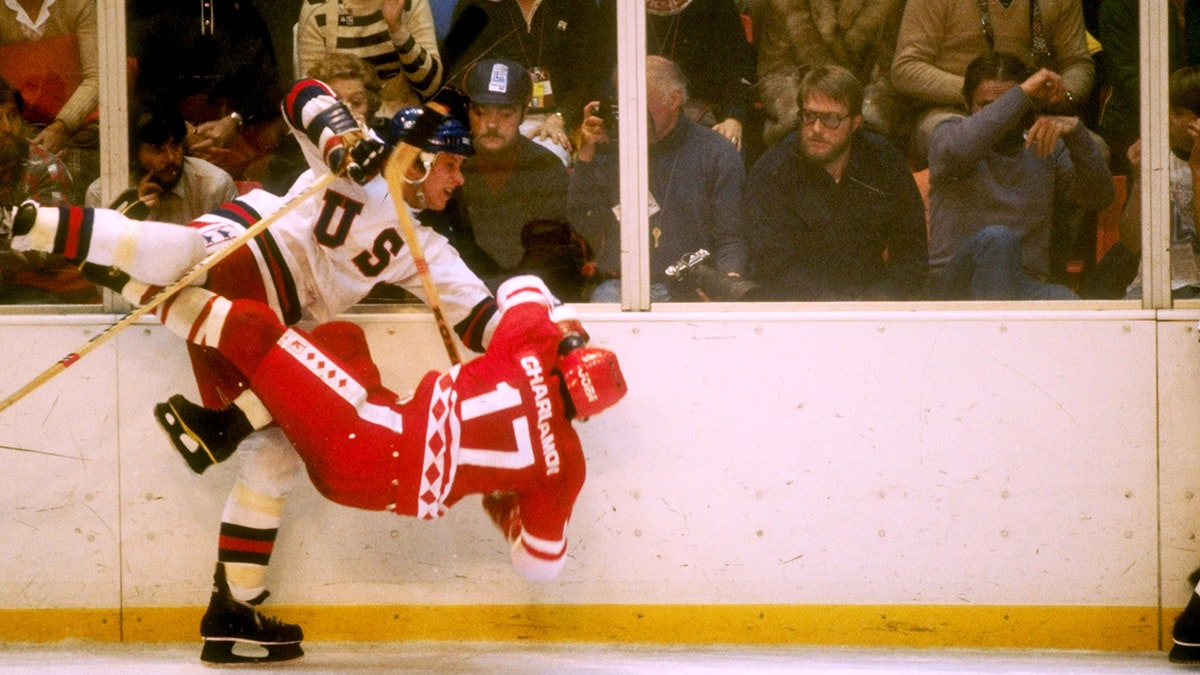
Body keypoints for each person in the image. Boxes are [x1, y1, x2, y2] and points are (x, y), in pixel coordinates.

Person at [7, 79, 500, 664]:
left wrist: (546, 348)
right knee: (188, 257)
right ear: (416, 163)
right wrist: (342, 142)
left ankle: (233, 605)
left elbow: (481, 318)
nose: (458, 180)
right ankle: (37, 225)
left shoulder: (427, 247)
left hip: (266, 328)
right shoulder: (362, 153)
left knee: (281, 446)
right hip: (253, 244)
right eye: (450, 166)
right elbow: (303, 95)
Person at [150, 274, 624, 586]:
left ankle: (138, 286)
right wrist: (511, 519)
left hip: (364, 434)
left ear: (568, 361)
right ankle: (224, 429)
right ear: (589, 414)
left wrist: (567, 330)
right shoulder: (565, 464)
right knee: (341, 340)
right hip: (374, 478)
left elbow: (524, 285)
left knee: (254, 328)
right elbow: (541, 566)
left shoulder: (532, 344)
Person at [926, 52, 1113, 301]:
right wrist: (1021, 93)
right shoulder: (947, 134)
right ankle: (998, 327)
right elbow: (958, 149)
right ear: (966, 102)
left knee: (1068, 302)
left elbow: (1098, 197)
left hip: (1022, 284)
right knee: (998, 239)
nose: (1002, 114)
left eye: (1010, 103)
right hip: (956, 285)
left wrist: (1077, 134)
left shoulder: (1044, 146)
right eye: (987, 105)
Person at [742, 64, 927, 301]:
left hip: (872, 301)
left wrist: (882, 300)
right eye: (809, 116)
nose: (816, 129)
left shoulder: (885, 161)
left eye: (831, 119)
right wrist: (835, 306)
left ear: (855, 123)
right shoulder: (772, 170)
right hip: (799, 304)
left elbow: (912, 252)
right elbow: (772, 264)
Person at [569, 56, 746, 303]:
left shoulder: (715, 153)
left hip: (690, 288)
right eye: (623, 101)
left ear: (674, 100)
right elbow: (585, 224)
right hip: (622, 285)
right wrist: (587, 155)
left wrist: (728, 283)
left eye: (638, 101)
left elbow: (730, 235)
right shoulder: (611, 149)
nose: (629, 112)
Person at [890, 0, 1095, 168]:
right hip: (952, 111)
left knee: (1094, 150)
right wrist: (988, 95)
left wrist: (1063, 93)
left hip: (1029, 112)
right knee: (964, 146)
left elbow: (1077, 63)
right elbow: (906, 68)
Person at [128, 0, 287, 181]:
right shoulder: (159, 14)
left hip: (234, 135)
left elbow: (266, 84)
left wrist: (233, 121)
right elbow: (147, 89)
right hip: (172, 138)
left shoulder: (247, 17)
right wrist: (181, 130)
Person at [441, 0, 609, 164]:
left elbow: (588, 77)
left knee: (544, 161)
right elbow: (458, 74)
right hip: (491, 119)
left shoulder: (577, 5)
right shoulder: (477, 5)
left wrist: (561, 117)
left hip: (554, 120)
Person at [457, 59, 570, 275]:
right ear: (467, 111)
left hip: (527, 287)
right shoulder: (450, 165)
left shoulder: (546, 167)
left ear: (524, 114)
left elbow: (549, 255)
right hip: (459, 288)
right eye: (481, 112)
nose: (492, 124)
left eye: (505, 114)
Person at [596, 0, 756, 152]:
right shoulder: (617, 4)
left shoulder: (714, 4)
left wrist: (734, 118)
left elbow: (736, 68)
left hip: (703, 116)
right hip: (632, 115)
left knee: (725, 149)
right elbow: (602, 71)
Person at [754, 0, 906, 147]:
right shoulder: (785, 4)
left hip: (864, 123)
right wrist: (802, 114)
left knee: (876, 151)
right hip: (802, 120)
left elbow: (889, 73)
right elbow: (776, 71)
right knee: (786, 154)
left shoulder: (889, 5)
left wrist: (861, 117)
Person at [0, 77, 95, 305]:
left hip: (42, 295)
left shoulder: (45, 168)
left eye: (12, 116)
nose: (7, 128)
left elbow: (44, 255)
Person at [0, 0, 99, 204]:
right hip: (17, 125)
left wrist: (62, 126)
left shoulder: (79, 4)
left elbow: (98, 76)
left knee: (64, 172)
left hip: (76, 129)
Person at [1117, 66, 1200, 302]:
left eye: (1177, 112)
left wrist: (1197, 170)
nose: (1166, 120)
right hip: (1152, 286)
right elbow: (1131, 243)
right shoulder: (1156, 156)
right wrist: (1140, 180)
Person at [85, 103, 238, 224]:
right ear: (133, 153)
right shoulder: (101, 195)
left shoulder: (215, 186)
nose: (171, 158)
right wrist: (130, 222)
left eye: (175, 145)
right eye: (157, 149)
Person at [296, 0, 442, 116]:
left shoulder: (410, 2)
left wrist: (397, 28)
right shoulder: (317, 7)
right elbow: (310, 96)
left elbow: (430, 86)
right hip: (342, 120)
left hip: (403, 119)